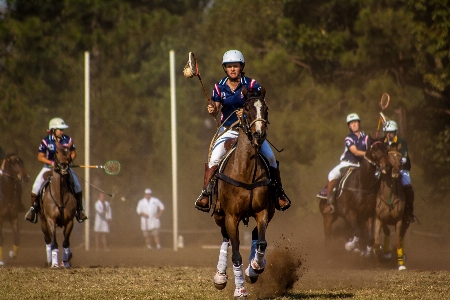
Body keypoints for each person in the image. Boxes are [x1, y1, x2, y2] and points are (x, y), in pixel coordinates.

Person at [194, 49, 290, 212]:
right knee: (214, 158)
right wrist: (212, 110)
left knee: (271, 158)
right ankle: (206, 193)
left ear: (241, 67)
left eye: (236, 66)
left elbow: (261, 104)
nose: (232, 69)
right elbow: (216, 109)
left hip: (251, 131)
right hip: (228, 130)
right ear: (225, 68)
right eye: (229, 66)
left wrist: (245, 112)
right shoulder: (219, 87)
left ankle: (279, 193)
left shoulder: (252, 84)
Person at [25, 117, 88, 223]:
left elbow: (73, 153)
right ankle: (33, 210)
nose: (62, 131)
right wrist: (51, 163)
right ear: (53, 129)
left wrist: (67, 161)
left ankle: (80, 210)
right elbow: (40, 157)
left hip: (64, 167)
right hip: (48, 168)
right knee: (35, 186)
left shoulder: (68, 140)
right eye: (60, 129)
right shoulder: (46, 141)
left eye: (63, 129)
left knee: (77, 185)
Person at [318, 113, 370, 214]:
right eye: (351, 123)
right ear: (349, 126)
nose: (354, 125)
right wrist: (369, 153)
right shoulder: (349, 138)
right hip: (347, 164)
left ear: (359, 124)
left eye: (355, 122)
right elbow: (354, 151)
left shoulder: (366, 138)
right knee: (331, 175)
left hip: (361, 165)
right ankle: (330, 203)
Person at [383, 120, 415, 223]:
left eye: (391, 132)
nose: (389, 134)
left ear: (395, 132)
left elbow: (404, 158)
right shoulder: (383, 142)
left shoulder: (401, 141)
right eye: (387, 132)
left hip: (402, 168)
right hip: (387, 170)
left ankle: (409, 212)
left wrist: (396, 162)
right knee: (373, 182)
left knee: (408, 188)